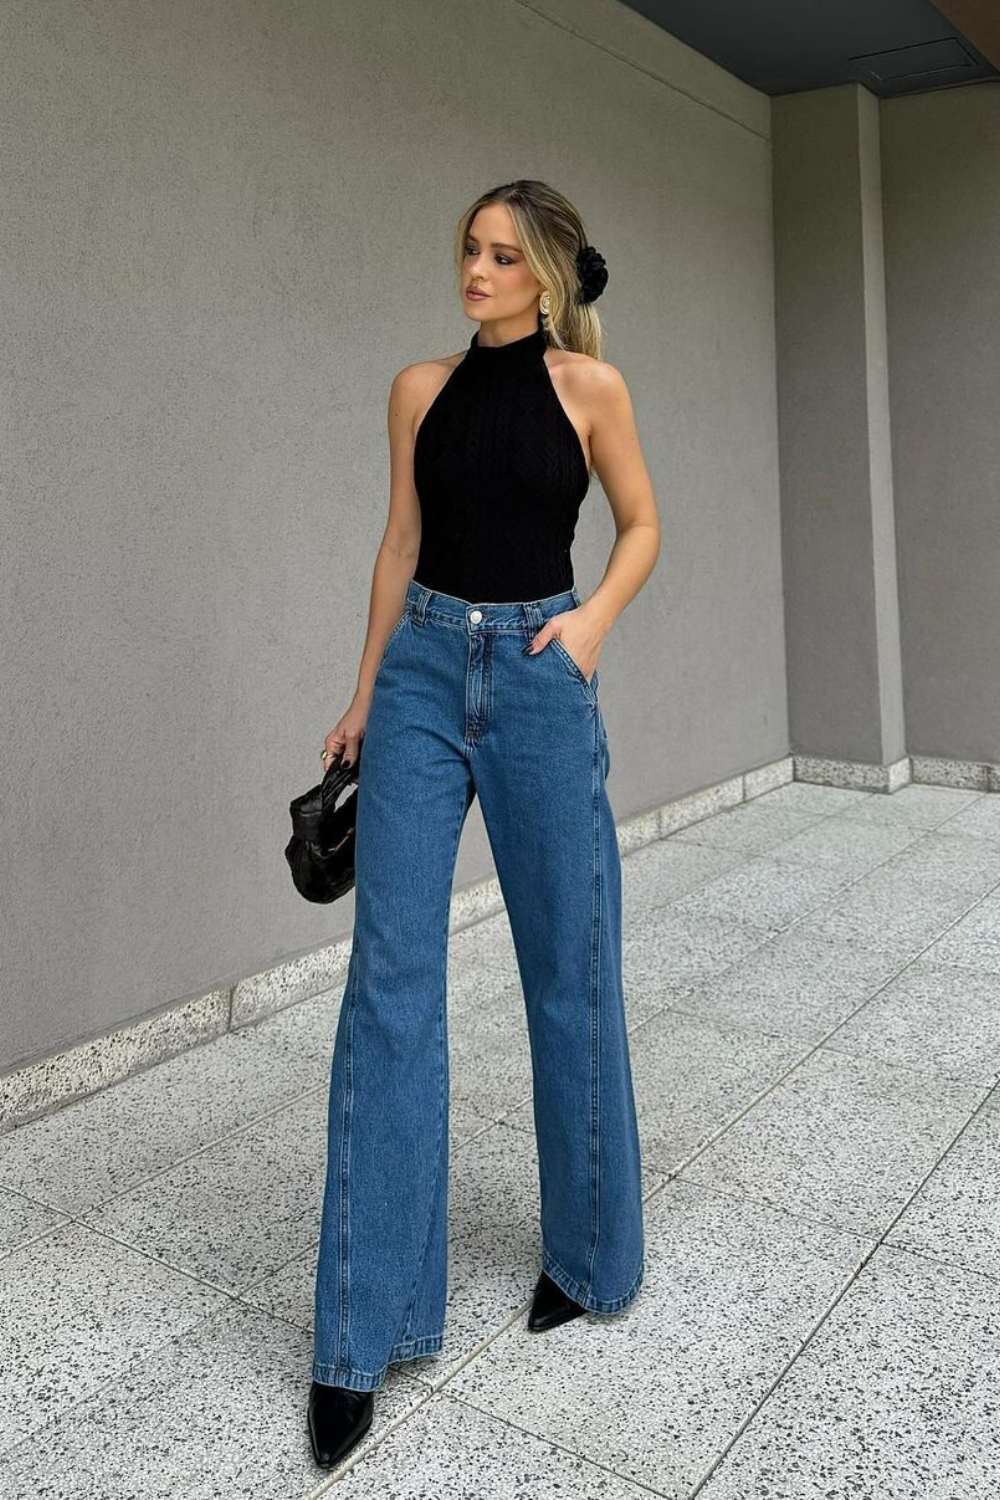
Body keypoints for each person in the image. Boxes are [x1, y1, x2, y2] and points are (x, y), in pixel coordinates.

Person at [307, 178, 661, 1470]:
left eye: (504, 255)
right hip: (420, 674)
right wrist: (362, 697)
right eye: (469, 248)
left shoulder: (590, 390)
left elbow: (643, 524)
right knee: (389, 983)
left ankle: (589, 1256)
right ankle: (361, 1332)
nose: (477, 269)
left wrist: (589, 627)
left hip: (539, 673)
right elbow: (399, 544)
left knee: (570, 970)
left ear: (548, 276)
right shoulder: (418, 389)